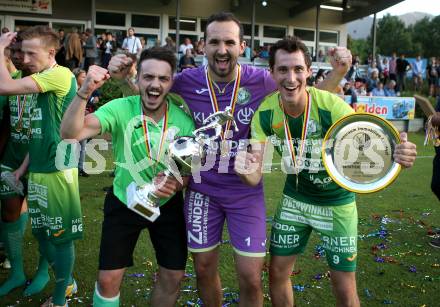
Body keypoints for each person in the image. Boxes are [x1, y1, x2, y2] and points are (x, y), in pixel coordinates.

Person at [108, 11, 353, 306]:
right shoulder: (186, 81)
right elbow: (150, 96)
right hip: (203, 190)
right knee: (203, 269)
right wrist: (124, 81)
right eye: (214, 42)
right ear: (203, 46)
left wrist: (338, 73)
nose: (221, 50)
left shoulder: (263, 80)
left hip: (245, 190)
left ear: (242, 45)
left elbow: (304, 93)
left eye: (229, 42)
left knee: (251, 276)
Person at [235, 36, 417, 307]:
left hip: (337, 204)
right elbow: (255, 173)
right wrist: (243, 170)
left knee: (343, 286)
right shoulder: (265, 113)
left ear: (309, 71)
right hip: (294, 200)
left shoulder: (330, 105)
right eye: (283, 70)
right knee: (277, 274)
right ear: (271, 73)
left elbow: (371, 136)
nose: (291, 78)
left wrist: (399, 151)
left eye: (298, 69)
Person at [61, 47, 194, 307]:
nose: (155, 84)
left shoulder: (184, 121)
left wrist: (177, 183)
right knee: (108, 280)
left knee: (173, 276)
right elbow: (70, 133)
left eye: (163, 79)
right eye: (149, 77)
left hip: (166, 207)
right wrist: (84, 90)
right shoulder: (121, 108)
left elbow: (190, 171)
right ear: (139, 78)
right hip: (125, 200)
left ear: (171, 82)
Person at [0, 26, 82, 307]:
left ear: (51, 52)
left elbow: (4, 87)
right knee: (42, 234)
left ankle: (61, 299)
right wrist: (22, 168)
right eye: (20, 52)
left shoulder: (58, 75)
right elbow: (40, 130)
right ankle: (65, 281)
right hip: (38, 168)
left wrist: (0, 50)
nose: (24, 57)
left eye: (30, 52)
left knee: (60, 237)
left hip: (58, 171)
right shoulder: (43, 78)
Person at [0, 41, 35, 297]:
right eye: (14, 53)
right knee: (10, 211)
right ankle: (16, 271)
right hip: (12, 157)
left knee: (47, 221)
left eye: (24, 52)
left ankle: (48, 274)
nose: (19, 57)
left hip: (41, 159)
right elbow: (6, 122)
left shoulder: (50, 81)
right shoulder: (10, 80)